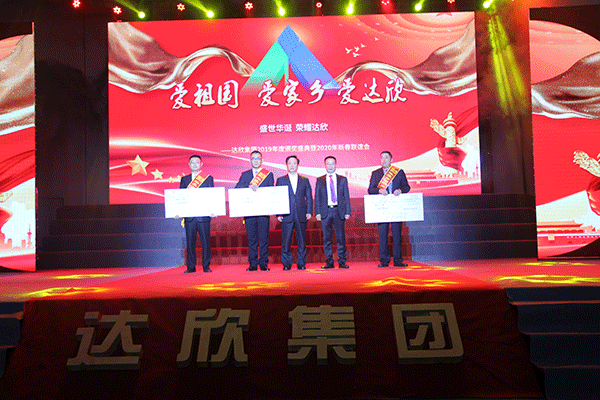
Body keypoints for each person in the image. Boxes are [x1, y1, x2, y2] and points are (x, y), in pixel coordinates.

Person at [368, 151, 411, 267]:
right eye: (382, 158)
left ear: (391, 159)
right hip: (382, 207)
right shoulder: (375, 173)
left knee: (397, 235)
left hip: (396, 206)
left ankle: (398, 260)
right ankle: (384, 260)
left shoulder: (399, 172)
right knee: (383, 235)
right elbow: (370, 189)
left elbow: (407, 187)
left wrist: (400, 190)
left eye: (386, 157)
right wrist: (379, 190)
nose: (384, 160)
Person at [235, 151, 274, 271]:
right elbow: (237, 189)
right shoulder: (245, 175)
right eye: (253, 158)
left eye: (258, 158)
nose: (256, 160)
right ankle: (252, 263)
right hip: (250, 212)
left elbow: (271, 191)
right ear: (250, 160)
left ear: (262, 160)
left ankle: (263, 263)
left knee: (263, 239)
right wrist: (248, 187)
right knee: (252, 239)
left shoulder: (268, 175)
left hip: (263, 211)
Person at [276, 155, 313, 270]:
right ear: (286, 165)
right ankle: (287, 263)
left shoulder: (305, 180)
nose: (292, 165)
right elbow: (277, 197)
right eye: (290, 163)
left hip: (301, 213)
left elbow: (309, 197)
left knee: (301, 240)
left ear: (298, 165)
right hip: (286, 214)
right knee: (286, 240)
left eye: (294, 163)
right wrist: (278, 213)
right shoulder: (281, 180)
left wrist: (309, 211)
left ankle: (301, 263)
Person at [314, 156, 351, 269]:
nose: (330, 166)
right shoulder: (320, 180)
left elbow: (346, 196)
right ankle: (329, 262)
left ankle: (342, 261)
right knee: (327, 239)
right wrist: (317, 212)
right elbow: (317, 197)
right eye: (328, 164)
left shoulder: (342, 179)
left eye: (332, 163)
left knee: (340, 238)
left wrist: (348, 211)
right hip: (325, 211)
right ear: (325, 165)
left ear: (336, 165)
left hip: (338, 211)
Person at [180, 155, 213, 273]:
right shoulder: (184, 180)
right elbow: (181, 197)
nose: (194, 164)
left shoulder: (208, 178)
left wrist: (213, 209)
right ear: (189, 164)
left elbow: (212, 195)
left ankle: (206, 266)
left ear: (201, 164)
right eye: (192, 162)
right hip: (190, 217)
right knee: (190, 243)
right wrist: (178, 211)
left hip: (203, 216)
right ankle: (191, 267)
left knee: (206, 242)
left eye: (197, 162)